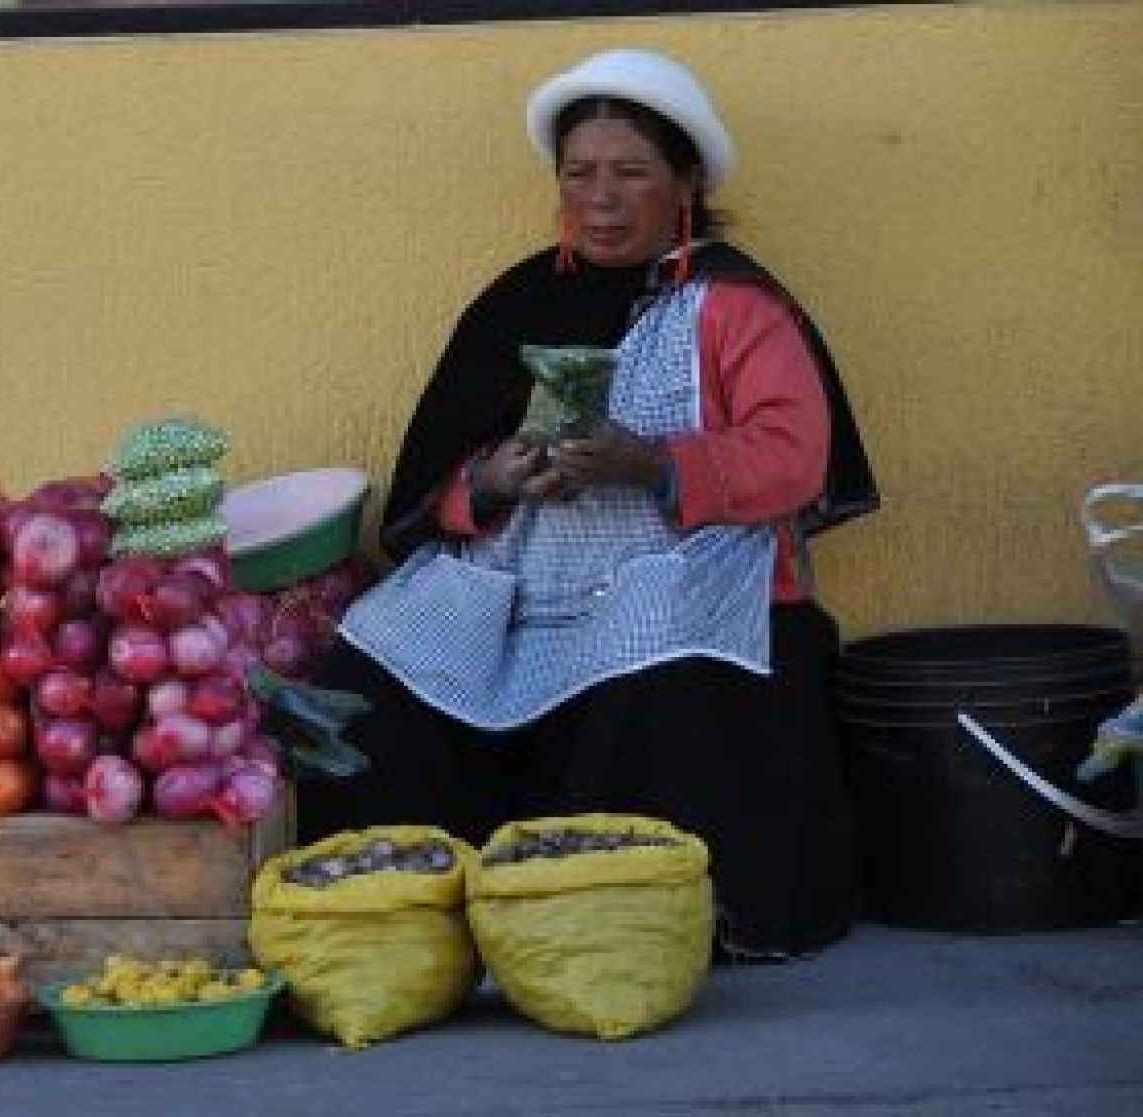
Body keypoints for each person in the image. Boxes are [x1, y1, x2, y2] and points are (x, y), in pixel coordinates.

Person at [296, 48, 880, 960]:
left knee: (652, 669)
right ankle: (414, 912)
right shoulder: (518, 301)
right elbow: (433, 483)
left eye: (631, 173)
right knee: (375, 657)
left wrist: (649, 463)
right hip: (519, 583)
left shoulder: (736, 305)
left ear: (685, 181)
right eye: (580, 174)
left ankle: (637, 921)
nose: (601, 197)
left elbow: (792, 458)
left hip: (687, 579)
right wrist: (492, 482)